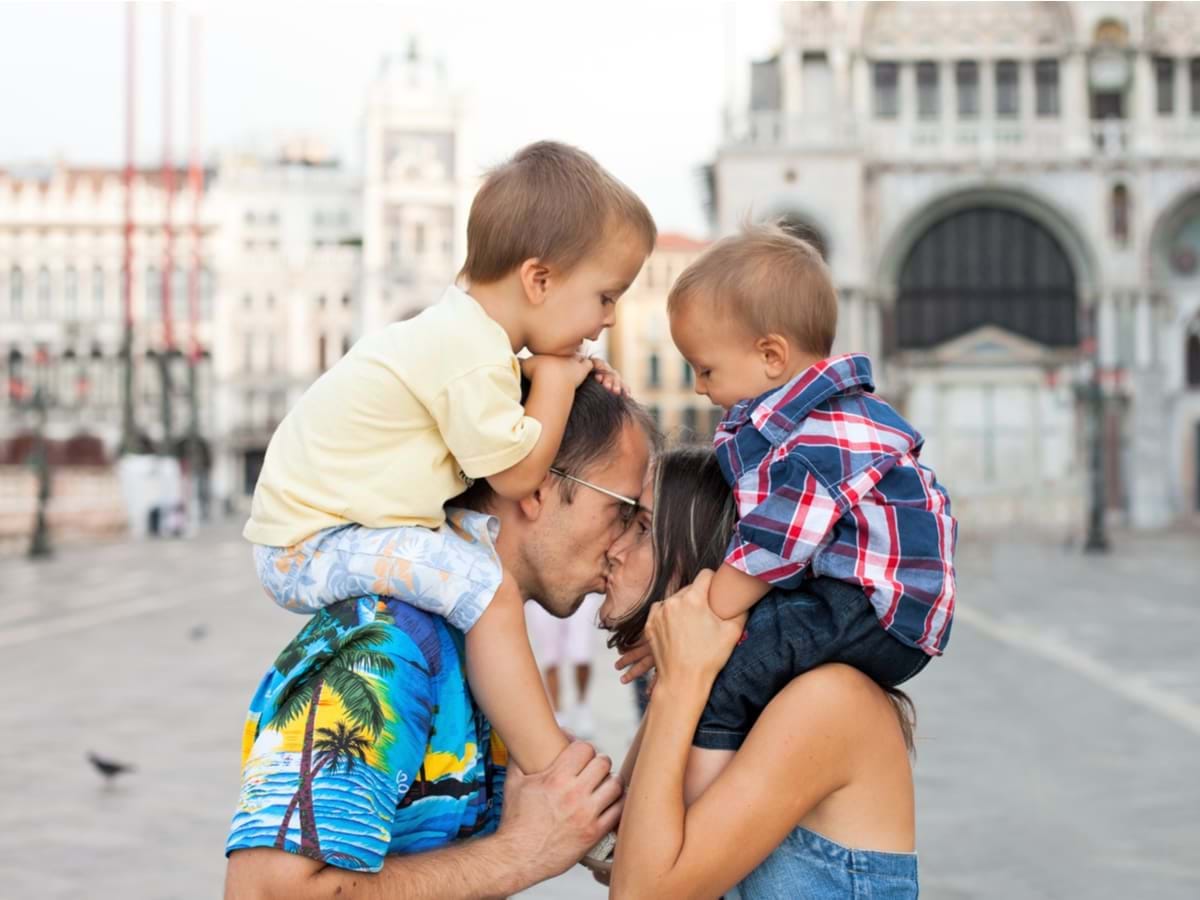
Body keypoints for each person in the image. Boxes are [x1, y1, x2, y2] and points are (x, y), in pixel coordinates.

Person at [242, 141, 655, 780]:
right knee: (484, 592)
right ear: (538, 280)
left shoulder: (468, 342)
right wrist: (553, 380)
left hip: (331, 530)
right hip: (308, 543)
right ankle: (551, 767)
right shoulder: (467, 352)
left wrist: (549, 370)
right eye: (605, 296)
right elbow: (516, 474)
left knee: (471, 565)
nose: (607, 320)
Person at [224, 378, 657, 897]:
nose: (625, 545)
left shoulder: (481, 646)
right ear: (537, 485)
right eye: (623, 511)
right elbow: (265, 892)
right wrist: (522, 852)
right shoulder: (390, 647)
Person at [633, 224, 957, 801]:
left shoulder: (817, 436)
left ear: (771, 356)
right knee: (736, 650)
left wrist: (705, 615)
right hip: (871, 602)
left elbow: (772, 547)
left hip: (873, 608)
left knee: (729, 677)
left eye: (705, 369)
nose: (701, 388)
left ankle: (695, 814)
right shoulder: (826, 417)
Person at [599, 447, 920, 898]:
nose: (612, 549)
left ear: (707, 554)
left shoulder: (827, 701)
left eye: (643, 527)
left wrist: (678, 684)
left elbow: (638, 892)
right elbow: (619, 850)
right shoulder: (708, 685)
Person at [526, 593, 604, 737]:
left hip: (582, 591)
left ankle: (582, 705)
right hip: (543, 593)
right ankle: (557, 713)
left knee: (582, 655)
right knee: (550, 658)